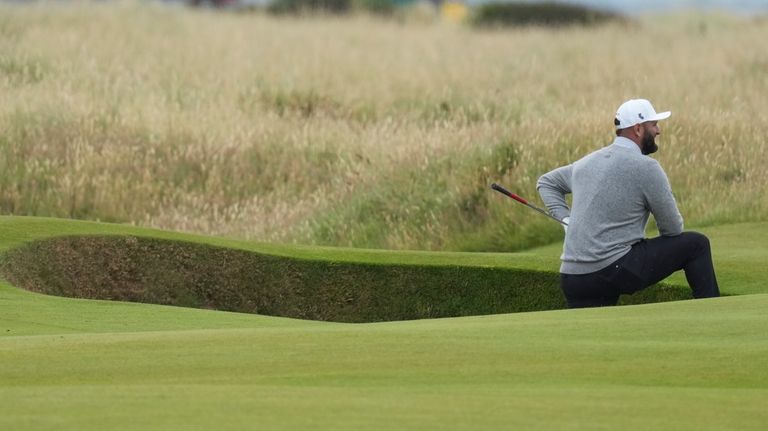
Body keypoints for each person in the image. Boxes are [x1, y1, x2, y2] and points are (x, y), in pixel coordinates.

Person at [536, 98, 720, 308]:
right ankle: (711, 312)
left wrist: (565, 220)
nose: (658, 130)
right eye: (654, 124)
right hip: (613, 271)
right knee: (697, 244)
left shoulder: (586, 163)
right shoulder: (647, 167)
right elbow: (672, 228)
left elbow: (546, 182)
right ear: (639, 129)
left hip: (572, 277)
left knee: (596, 334)